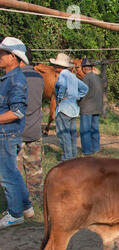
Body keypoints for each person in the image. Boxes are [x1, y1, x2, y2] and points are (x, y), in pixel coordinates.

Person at [0, 37, 34, 228]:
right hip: (7, 133)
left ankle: (15, 214)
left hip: (6, 133)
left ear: (13, 57)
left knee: (6, 175)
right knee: (13, 172)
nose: (0, 57)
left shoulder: (15, 79)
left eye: (2, 54)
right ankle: (26, 207)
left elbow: (17, 111)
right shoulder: (9, 78)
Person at [18, 47, 44, 202]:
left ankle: (18, 201)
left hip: (18, 131)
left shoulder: (15, 77)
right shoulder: (39, 77)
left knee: (14, 170)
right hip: (34, 130)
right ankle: (35, 199)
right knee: (35, 168)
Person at [50, 53, 88, 161]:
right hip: (73, 110)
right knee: (71, 134)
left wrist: (60, 97)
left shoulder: (62, 75)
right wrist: (76, 96)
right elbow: (85, 89)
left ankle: (67, 157)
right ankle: (73, 156)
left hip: (63, 109)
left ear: (59, 67)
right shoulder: (73, 76)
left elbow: (61, 85)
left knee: (63, 134)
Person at [78, 58, 103, 156]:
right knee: (95, 129)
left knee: (85, 130)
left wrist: (77, 101)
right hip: (96, 107)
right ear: (91, 67)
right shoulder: (97, 77)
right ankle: (96, 148)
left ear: (84, 68)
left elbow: (82, 93)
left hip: (87, 108)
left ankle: (87, 150)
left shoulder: (86, 78)